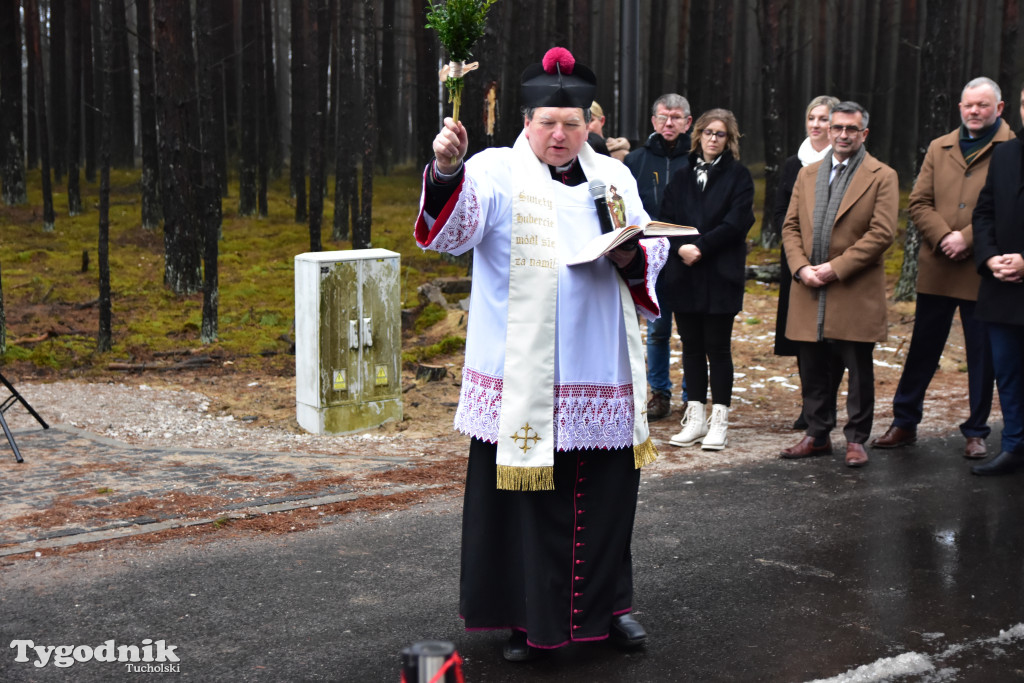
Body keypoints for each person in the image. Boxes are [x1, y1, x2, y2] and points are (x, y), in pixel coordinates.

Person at [415, 47, 667, 660]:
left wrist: (633, 255)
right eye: (548, 123)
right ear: (526, 121)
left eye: (572, 124)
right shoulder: (496, 170)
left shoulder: (613, 176)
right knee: (527, 504)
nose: (560, 135)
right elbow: (453, 235)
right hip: (522, 372)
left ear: (590, 124)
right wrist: (447, 172)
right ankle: (528, 621)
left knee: (606, 498)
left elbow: (648, 245)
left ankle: (609, 610)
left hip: (600, 365)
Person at [872, 77, 1011, 460]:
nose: (974, 112)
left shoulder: (1012, 148)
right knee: (923, 348)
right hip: (938, 264)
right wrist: (943, 236)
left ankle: (976, 430)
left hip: (982, 268)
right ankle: (904, 421)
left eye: (983, 105)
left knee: (981, 354)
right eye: (968, 105)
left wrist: (966, 238)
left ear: (998, 109)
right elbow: (918, 202)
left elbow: (1010, 209)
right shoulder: (940, 146)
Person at [779, 101, 898, 468]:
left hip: (853, 288)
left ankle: (856, 439)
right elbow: (790, 227)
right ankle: (817, 435)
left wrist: (834, 268)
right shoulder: (808, 173)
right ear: (828, 131)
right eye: (838, 128)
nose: (843, 135)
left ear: (864, 134)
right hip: (808, 287)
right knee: (812, 366)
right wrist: (801, 268)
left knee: (858, 369)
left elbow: (882, 233)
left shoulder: (882, 175)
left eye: (852, 129)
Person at [659, 109, 755, 451]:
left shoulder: (739, 177)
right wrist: (680, 248)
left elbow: (737, 222)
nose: (713, 139)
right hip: (684, 274)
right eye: (708, 133)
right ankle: (696, 419)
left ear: (729, 140)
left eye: (721, 134)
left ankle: (719, 420)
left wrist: (700, 247)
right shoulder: (681, 177)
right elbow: (665, 221)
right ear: (697, 135)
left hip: (719, 273)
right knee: (691, 348)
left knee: (718, 348)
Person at [773, 96, 843, 431]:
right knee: (803, 340)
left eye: (823, 118)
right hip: (797, 265)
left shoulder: (846, 164)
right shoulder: (793, 164)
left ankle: (828, 404)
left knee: (832, 338)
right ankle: (809, 407)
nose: (816, 125)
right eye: (811, 117)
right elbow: (780, 215)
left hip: (835, 266)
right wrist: (798, 259)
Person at [625, 93, 694, 421]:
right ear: (653, 121)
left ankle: (691, 397)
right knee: (657, 330)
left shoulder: (696, 159)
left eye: (677, 117)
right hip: (652, 258)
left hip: (691, 258)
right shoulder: (636, 161)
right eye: (664, 117)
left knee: (693, 332)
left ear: (688, 123)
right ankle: (659, 394)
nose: (670, 123)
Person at [968, 83, 1024, 476]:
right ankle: (1015, 446)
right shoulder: (1005, 154)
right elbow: (983, 212)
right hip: (1002, 289)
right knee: (1009, 373)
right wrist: (989, 258)